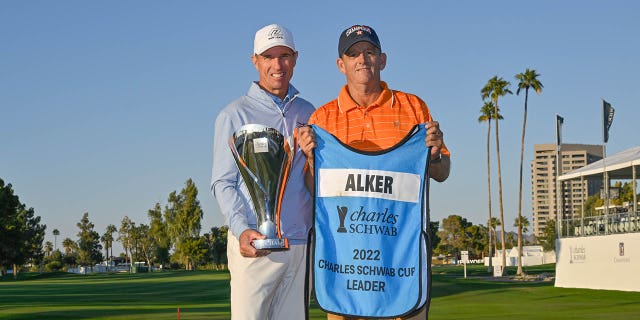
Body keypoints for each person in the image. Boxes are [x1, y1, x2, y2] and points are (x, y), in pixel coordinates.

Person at [298, 24, 451, 320]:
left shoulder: (413, 107)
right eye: (353, 54)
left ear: (382, 60)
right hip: (345, 267)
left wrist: (433, 154)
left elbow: (442, 172)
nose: (362, 59)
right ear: (341, 65)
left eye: (369, 52)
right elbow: (311, 187)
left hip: (401, 261)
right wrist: (309, 157)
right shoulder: (323, 119)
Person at [211, 24, 315, 320]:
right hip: (254, 247)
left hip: (299, 245)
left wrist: (311, 157)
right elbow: (222, 182)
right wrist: (242, 229)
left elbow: (314, 182)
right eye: (268, 57)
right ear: (255, 60)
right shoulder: (234, 114)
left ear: (295, 58)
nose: (277, 65)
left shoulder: (310, 113)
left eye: (284, 56)